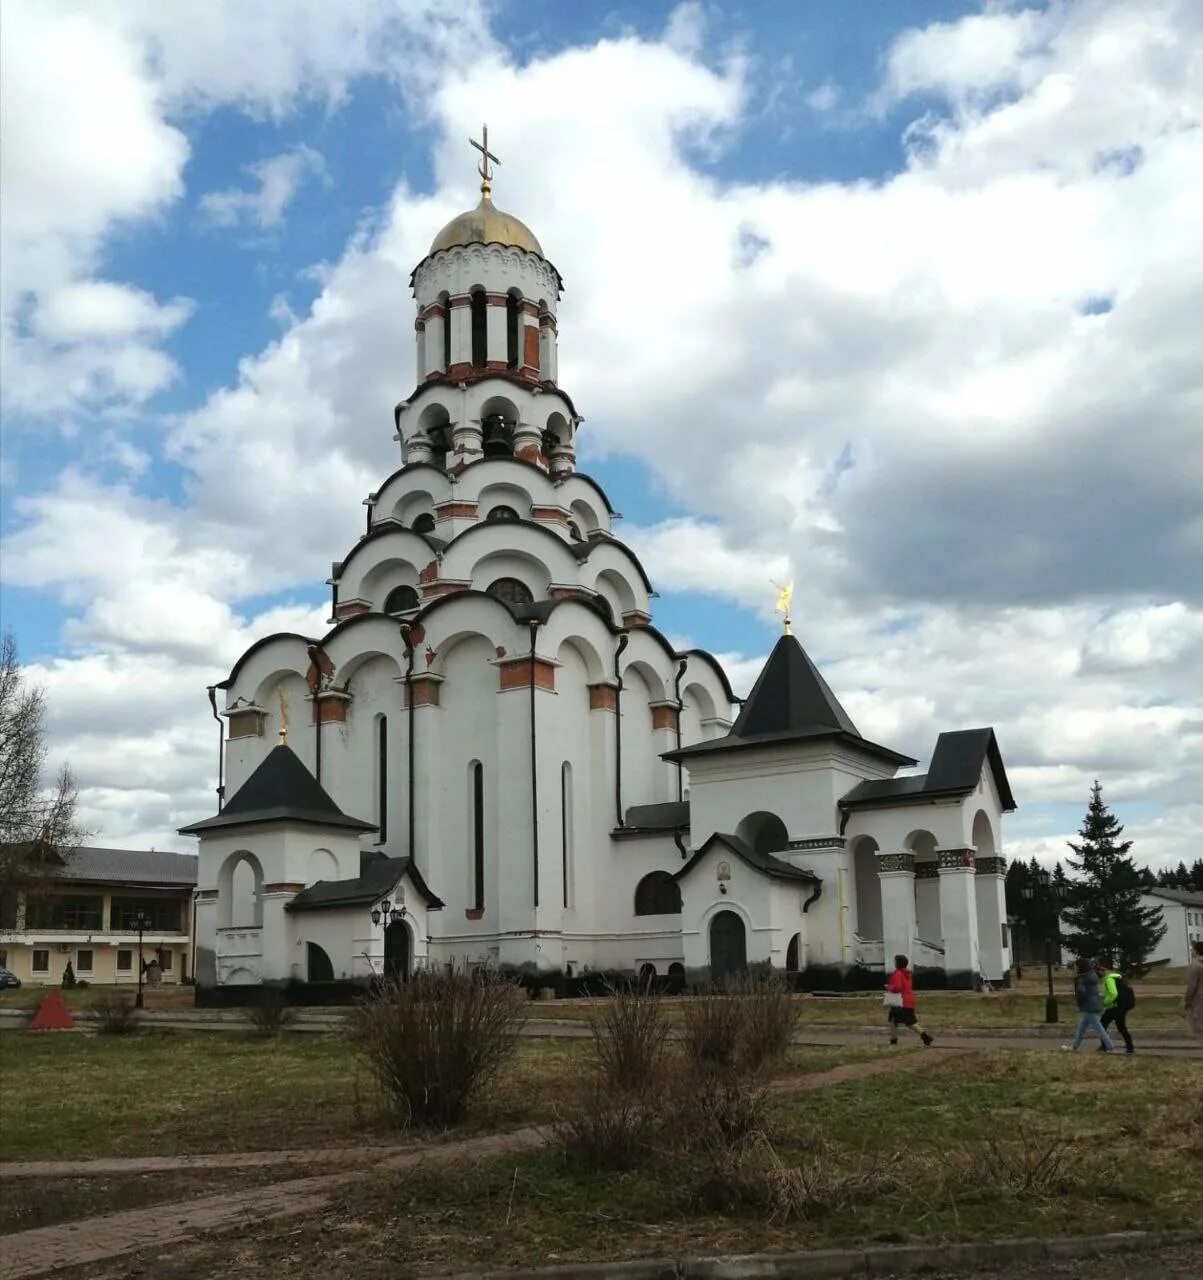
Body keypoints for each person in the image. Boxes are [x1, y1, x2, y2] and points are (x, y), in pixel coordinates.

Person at [1063, 957, 1114, 1052]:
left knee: (1098, 1028)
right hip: (1093, 1004)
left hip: (1088, 1007)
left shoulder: (1082, 979)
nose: (1075, 969)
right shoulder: (1092, 975)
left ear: (1079, 967)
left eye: (1076, 967)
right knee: (1081, 1029)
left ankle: (1109, 1046)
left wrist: (1078, 997)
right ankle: (1074, 1046)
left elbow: (1081, 992)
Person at [885, 954, 933, 1047]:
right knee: (898, 1020)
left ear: (898, 963)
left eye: (895, 961)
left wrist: (889, 987)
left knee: (905, 1022)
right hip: (908, 999)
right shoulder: (907, 974)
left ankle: (925, 1037)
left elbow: (898, 987)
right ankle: (894, 1040)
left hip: (901, 1001)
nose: (894, 963)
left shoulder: (898, 973)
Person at [1098, 961, 1135, 1054]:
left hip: (1114, 1006)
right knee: (1122, 1027)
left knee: (1102, 1024)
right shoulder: (1117, 978)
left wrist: (1105, 1002)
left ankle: (1105, 1046)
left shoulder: (1109, 979)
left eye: (1099, 971)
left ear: (1103, 970)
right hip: (1121, 1006)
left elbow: (1113, 993)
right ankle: (1130, 1048)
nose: (1098, 973)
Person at [1186, 940, 1203, 1043]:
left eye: (1192, 949)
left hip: (1199, 1000)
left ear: (1196, 951)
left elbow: (1192, 986)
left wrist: (1187, 999)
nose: (1191, 951)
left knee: (1199, 1026)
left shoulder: (1195, 966)